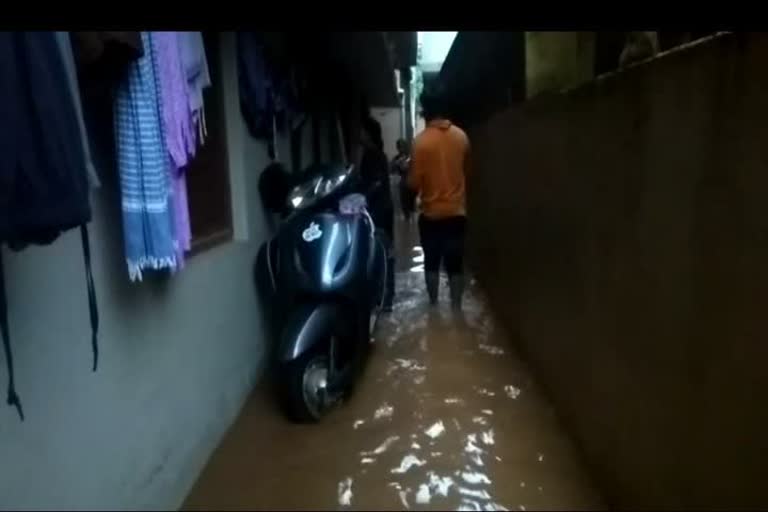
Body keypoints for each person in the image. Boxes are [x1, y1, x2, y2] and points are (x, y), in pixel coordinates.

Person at [408, 85, 470, 310]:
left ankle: (433, 308)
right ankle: (457, 310)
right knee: (455, 265)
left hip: (431, 214)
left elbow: (414, 183)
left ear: (425, 110)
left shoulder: (420, 143)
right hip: (457, 214)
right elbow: (467, 172)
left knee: (432, 263)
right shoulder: (462, 138)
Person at [359, 115, 395, 311]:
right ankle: (384, 296)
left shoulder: (374, 155)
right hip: (379, 209)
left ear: (369, 134)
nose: (359, 135)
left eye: (362, 131)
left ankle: (386, 297)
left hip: (379, 210)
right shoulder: (372, 154)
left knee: (383, 251)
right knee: (383, 251)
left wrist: (361, 197)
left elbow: (377, 182)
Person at [391, 138, 415, 222]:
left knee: (411, 203)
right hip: (403, 182)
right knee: (404, 201)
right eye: (399, 147)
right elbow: (391, 168)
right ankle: (407, 216)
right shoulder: (397, 158)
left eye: (402, 146)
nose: (400, 149)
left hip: (411, 181)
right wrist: (397, 163)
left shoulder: (411, 156)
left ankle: (410, 215)